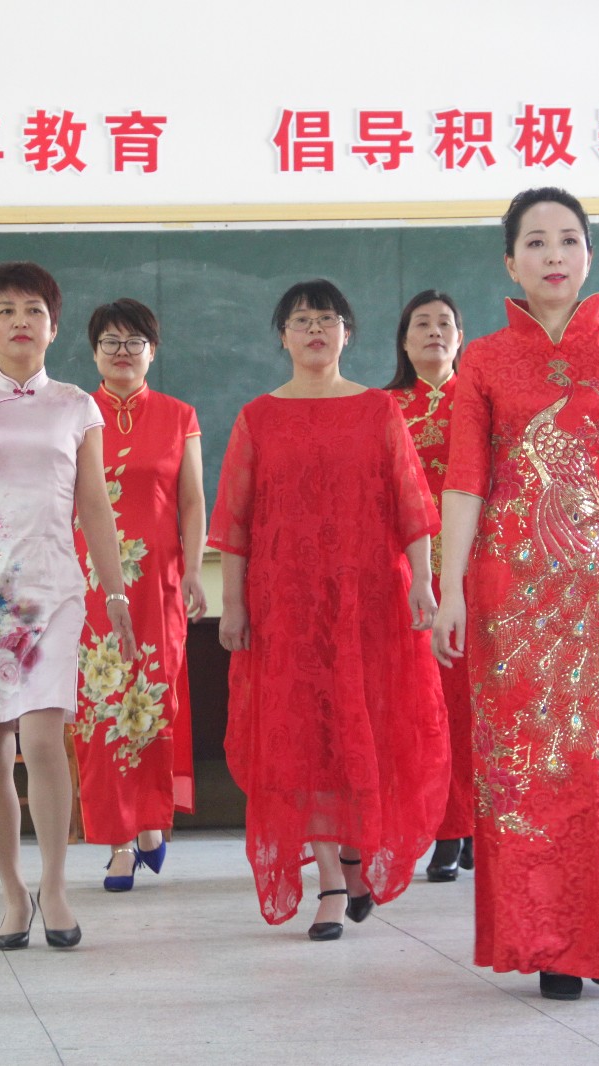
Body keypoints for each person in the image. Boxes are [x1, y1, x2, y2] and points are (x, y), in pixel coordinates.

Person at [433, 188, 599, 1001]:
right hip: (507, 590)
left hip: (595, 587)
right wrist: (450, 588)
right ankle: (551, 940)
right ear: (510, 262)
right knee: (521, 761)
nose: (552, 255)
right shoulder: (483, 361)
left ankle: (598, 929)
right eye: (535, 242)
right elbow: (465, 482)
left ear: (589, 255)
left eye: (568, 239)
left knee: (589, 753)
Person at [210, 279, 449, 941]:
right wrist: (233, 604)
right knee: (304, 739)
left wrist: (423, 583)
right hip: (286, 607)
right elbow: (234, 522)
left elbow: (413, 507)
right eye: (301, 320)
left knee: (364, 728)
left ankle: (353, 857)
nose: (315, 330)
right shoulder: (258, 417)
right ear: (282, 336)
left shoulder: (378, 410)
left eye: (327, 319)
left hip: (369, 601)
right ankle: (333, 882)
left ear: (348, 332)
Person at [0, 261, 134, 951]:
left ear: (54, 326)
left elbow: (95, 505)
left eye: (34, 310)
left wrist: (115, 590)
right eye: (6, 311)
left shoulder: (76, 405)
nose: (20, 322)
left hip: (54, 589)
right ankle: (13, 896)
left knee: (43, 738)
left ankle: (55, 887)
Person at [71, 299, 206, 892]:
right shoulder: (75, 414)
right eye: (110, 341)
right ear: (94, 351)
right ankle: (119, 841)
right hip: (90, 583)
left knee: (152, 700)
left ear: (153, 350)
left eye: (134, 342)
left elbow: (192, 502)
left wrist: (195, 570)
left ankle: (150, 820)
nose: (122, 352)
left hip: (159, 583)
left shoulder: (179, 416)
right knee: (100, 706)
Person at [385, 289, 475, 884]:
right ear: (404, 339)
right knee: (424, 706)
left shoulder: (482, 402)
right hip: (408, 581)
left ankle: (469, 825)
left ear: (461, 338)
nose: (435, 331)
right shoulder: (383, 408)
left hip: (475, 576)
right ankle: (443, 826)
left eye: (446, 322)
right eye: (422, 323)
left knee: (472, 706)